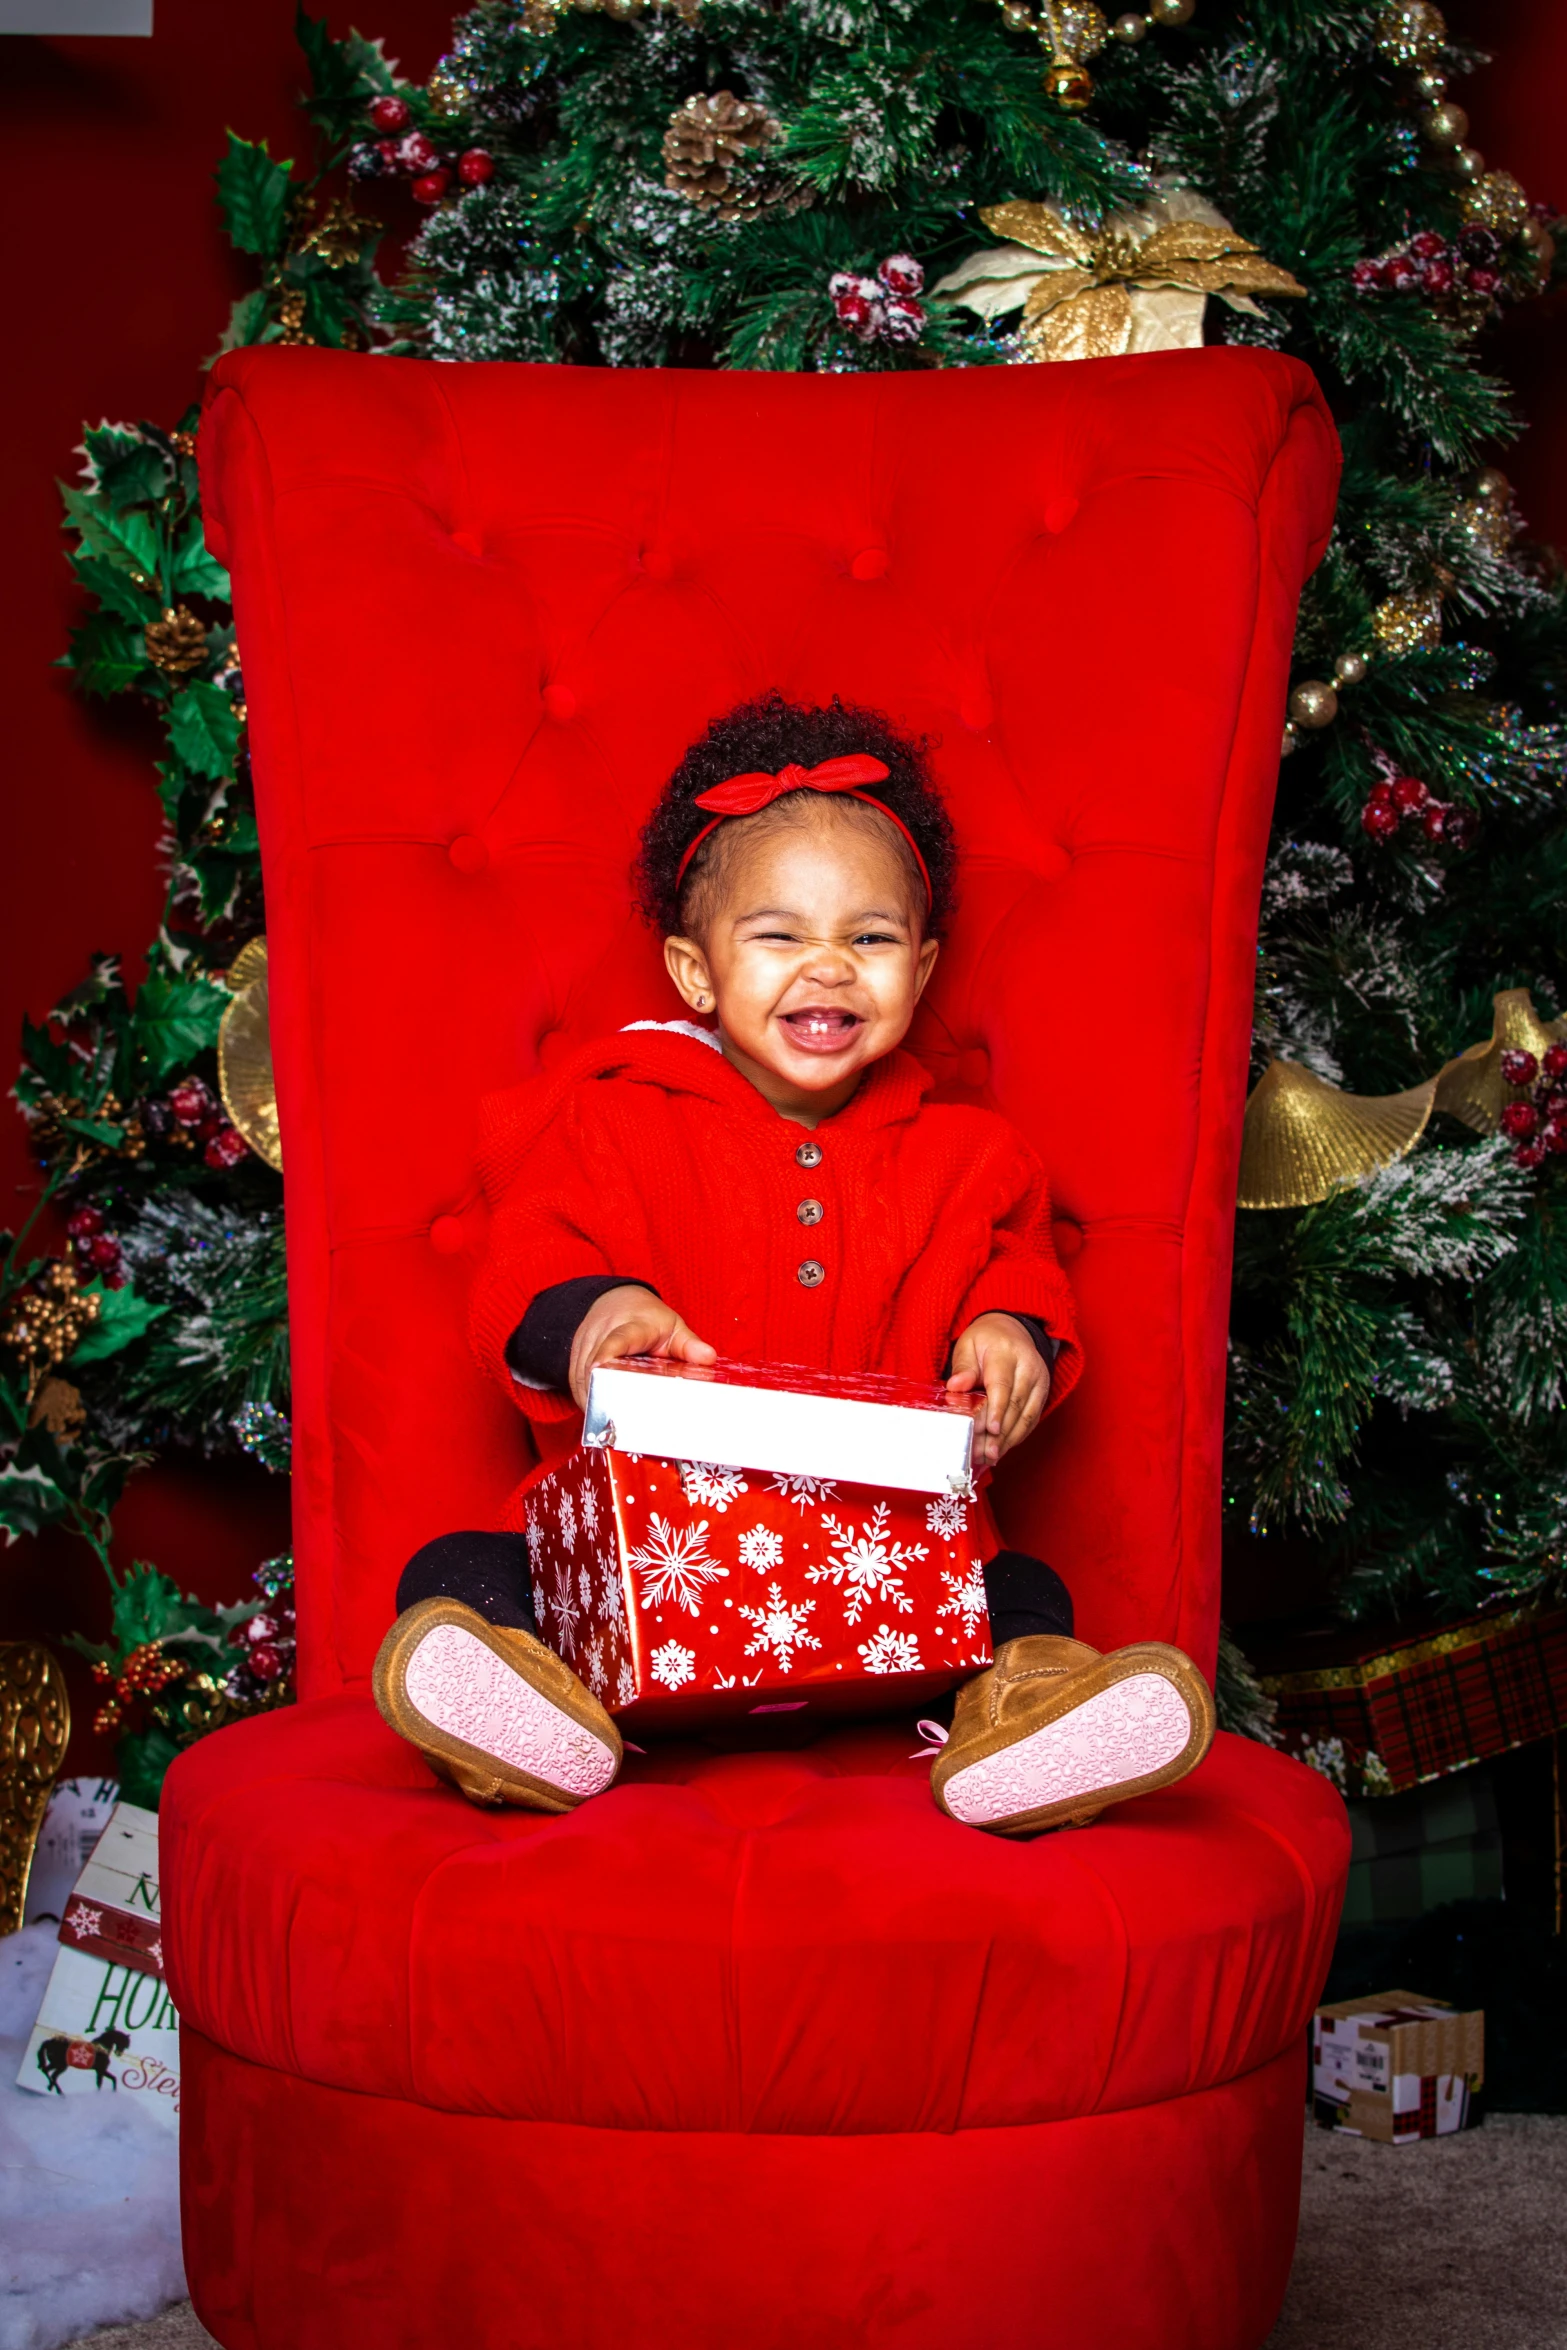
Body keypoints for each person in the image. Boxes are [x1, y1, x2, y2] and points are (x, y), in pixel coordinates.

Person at [373, 692, 1214, 1834]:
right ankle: (536, 1714)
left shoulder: (969, 1155)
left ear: (920, 969)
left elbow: (1017, 1272)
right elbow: (523, 1267)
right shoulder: (614, 1125)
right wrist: (597, 1316)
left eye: (868, 939)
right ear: (693, 969)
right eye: (779, 936)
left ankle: (1027, 1714)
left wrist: (1008, 1340)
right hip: (647, 1577)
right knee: (460, 1565)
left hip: (886, 1595)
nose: (827, 967)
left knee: (1024, 1589)